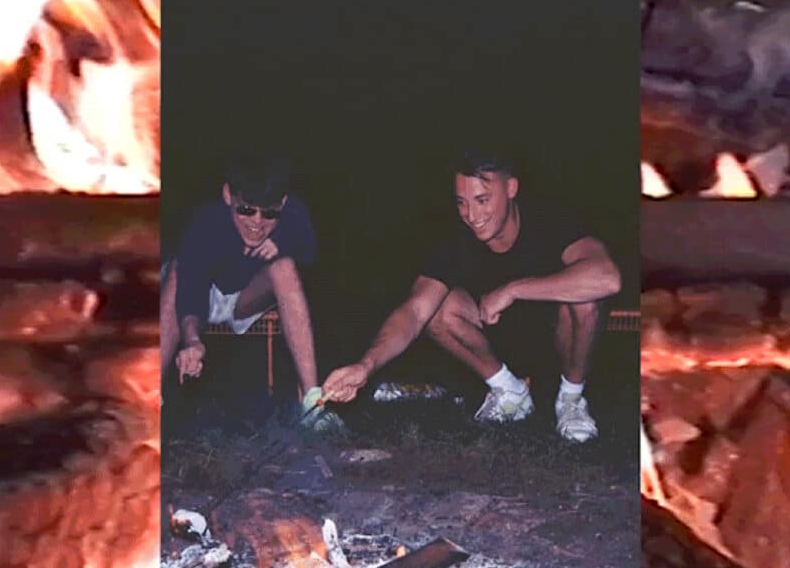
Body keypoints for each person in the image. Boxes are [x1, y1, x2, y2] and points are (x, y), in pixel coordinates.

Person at [322, 150, 621, 442]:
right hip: (496, 352)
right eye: (462, 203)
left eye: (482, 200)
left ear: (511, 188)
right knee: (437, 307)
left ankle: (571, 401)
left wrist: (513, 290)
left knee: (587, 296)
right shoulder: (455, 241)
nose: (472, 215)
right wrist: (366, 365)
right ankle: (509, 393)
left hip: (560, 347)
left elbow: (607, 277)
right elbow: (414, 312)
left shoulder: (551, 219)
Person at [160, 154, 331, 425]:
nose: (257, 222)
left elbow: (311, 250)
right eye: (247, 209)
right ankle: (150, 401)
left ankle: (313, 405)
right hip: (202, 295)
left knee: (283, 266)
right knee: (176, 269)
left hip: (244, 299)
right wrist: (192, 340)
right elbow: (190, 292)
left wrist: (283, 243)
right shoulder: (206, 222)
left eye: (269, 213)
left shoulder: (293, 213)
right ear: (229, 195)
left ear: (282, 204)